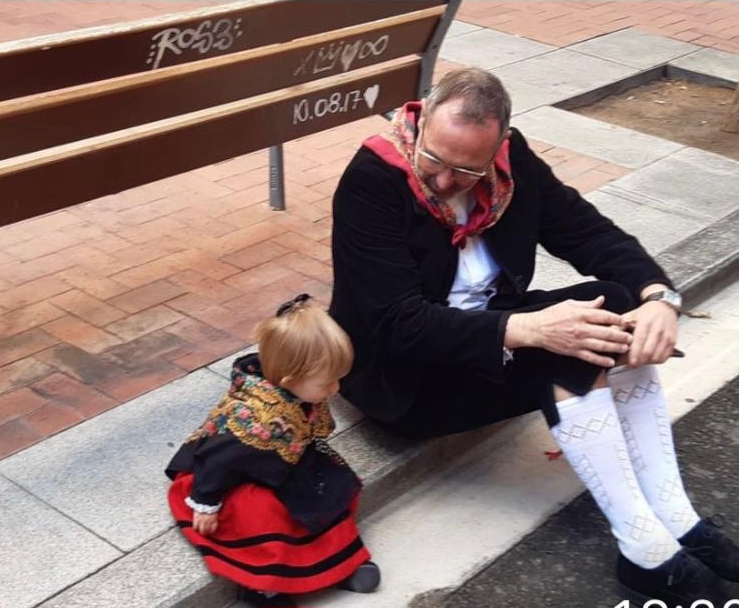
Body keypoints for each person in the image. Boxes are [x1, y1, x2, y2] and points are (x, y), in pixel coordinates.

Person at [329, 66, 738, 605]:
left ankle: (675, 517)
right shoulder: (372, 181)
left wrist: (660, 297)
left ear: (499, 145)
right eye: (435, 159)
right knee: (563, 341)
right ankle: (645, 549)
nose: (446, 180)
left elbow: (586, 231)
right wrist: (525, 328)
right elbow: (397, 324)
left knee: (617, 303)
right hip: (403, 378)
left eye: (467, 169)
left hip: (487, 343)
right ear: (422, 119)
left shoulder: (510, 166)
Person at [165, 294, 380, 608]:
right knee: (268, 517)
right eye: (327, 383)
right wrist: (206, 502)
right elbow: (219, 461)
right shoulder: (252, 418)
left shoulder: (301, 394)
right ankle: (265, 586)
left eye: (337, 380)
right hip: (235, 477)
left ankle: (339, 563)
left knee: (330, 488)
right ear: (290, 380)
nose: (335, 389)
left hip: (285, 463)